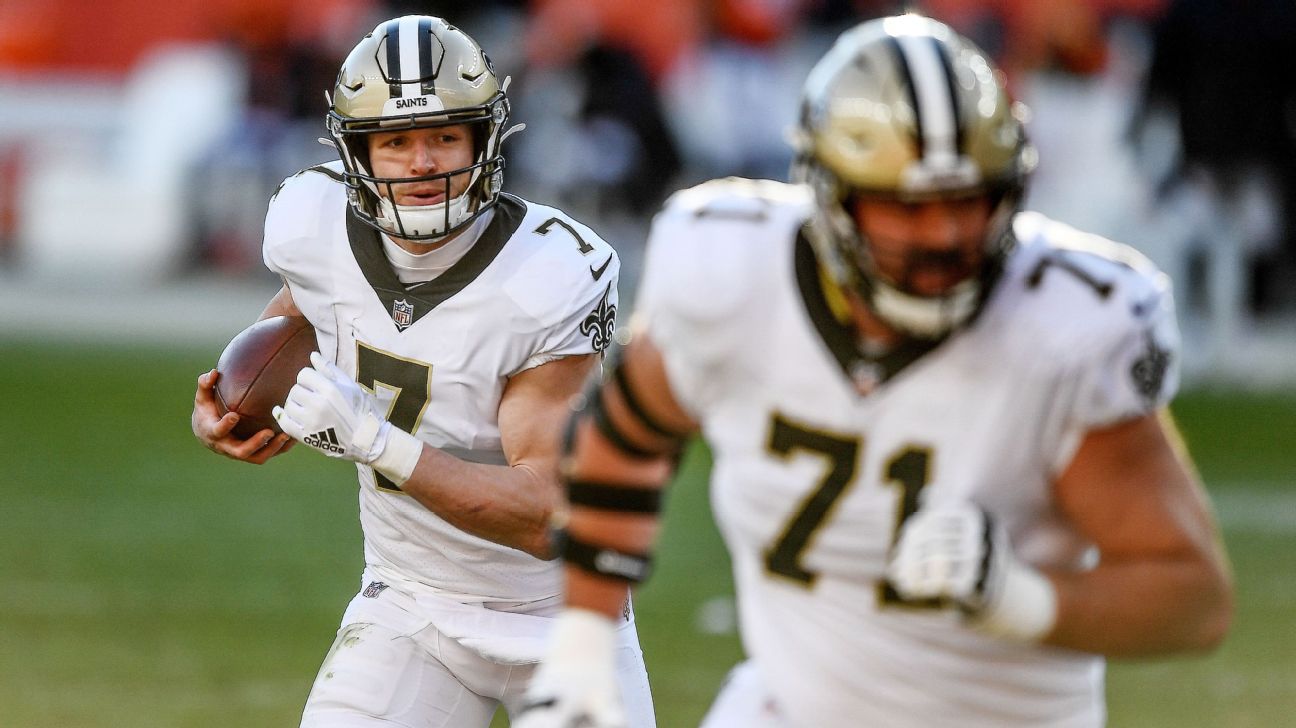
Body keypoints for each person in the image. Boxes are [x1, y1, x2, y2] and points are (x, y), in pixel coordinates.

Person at [516, 14, 1234, 728]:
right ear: (831, 196)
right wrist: (583, 645)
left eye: (968, 200)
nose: (945, 236)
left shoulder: (1064, 326)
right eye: (908, 208)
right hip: (786, 707)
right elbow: (626, 441)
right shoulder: (732, 272)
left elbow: (1191, 597)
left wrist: (1017, 597)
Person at [189, 15, 655, 728]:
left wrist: (378, 443)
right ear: (355, 153)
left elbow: (548, 513)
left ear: (485, 139)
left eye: (444, 136)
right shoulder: (310, 222)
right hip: (410, 602)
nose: (422, 161)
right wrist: (235, 399)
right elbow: (299, 313)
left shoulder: (550, 273)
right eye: (395, 140)